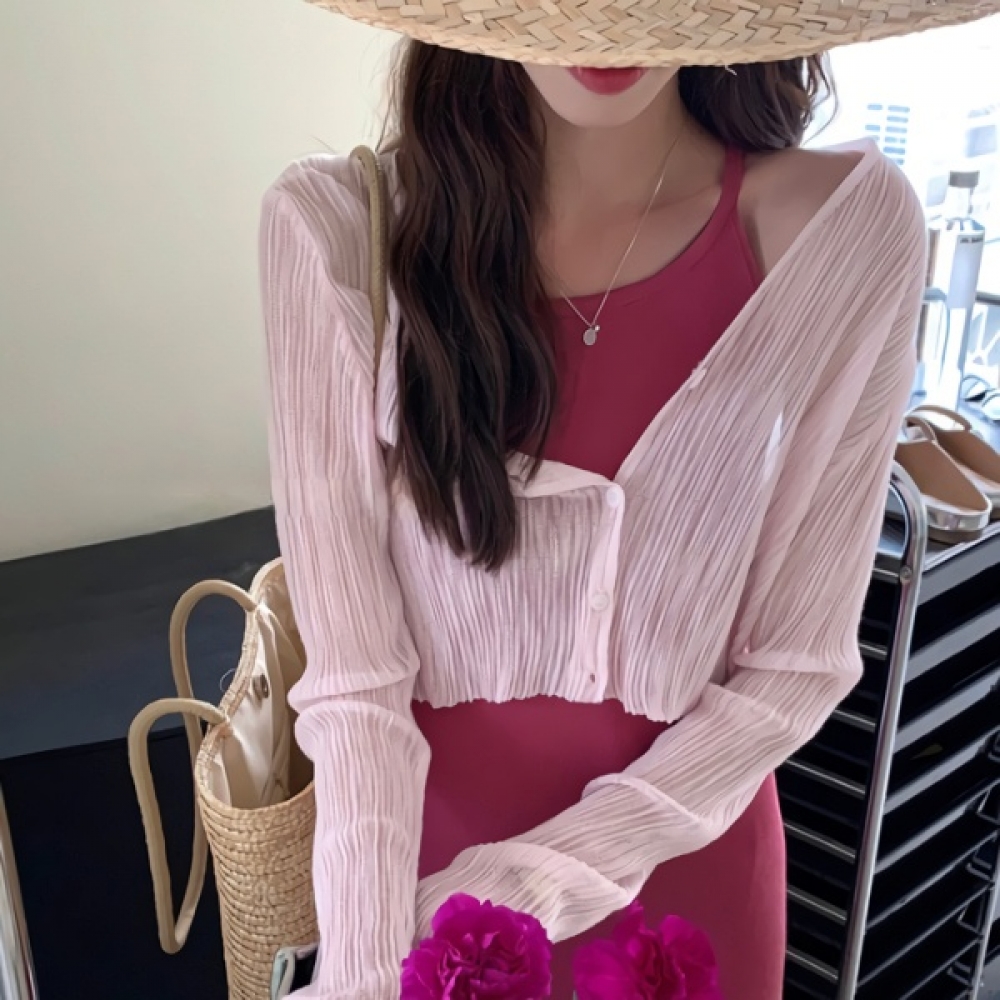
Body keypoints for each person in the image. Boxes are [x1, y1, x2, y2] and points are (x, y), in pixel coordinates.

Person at [257, 0, 997, 995]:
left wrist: (515, 890)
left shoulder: (838, 233)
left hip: (686, 888)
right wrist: (368, 966)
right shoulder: (340, 236)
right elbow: (354, 687)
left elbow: (794, 667)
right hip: (411, 892)